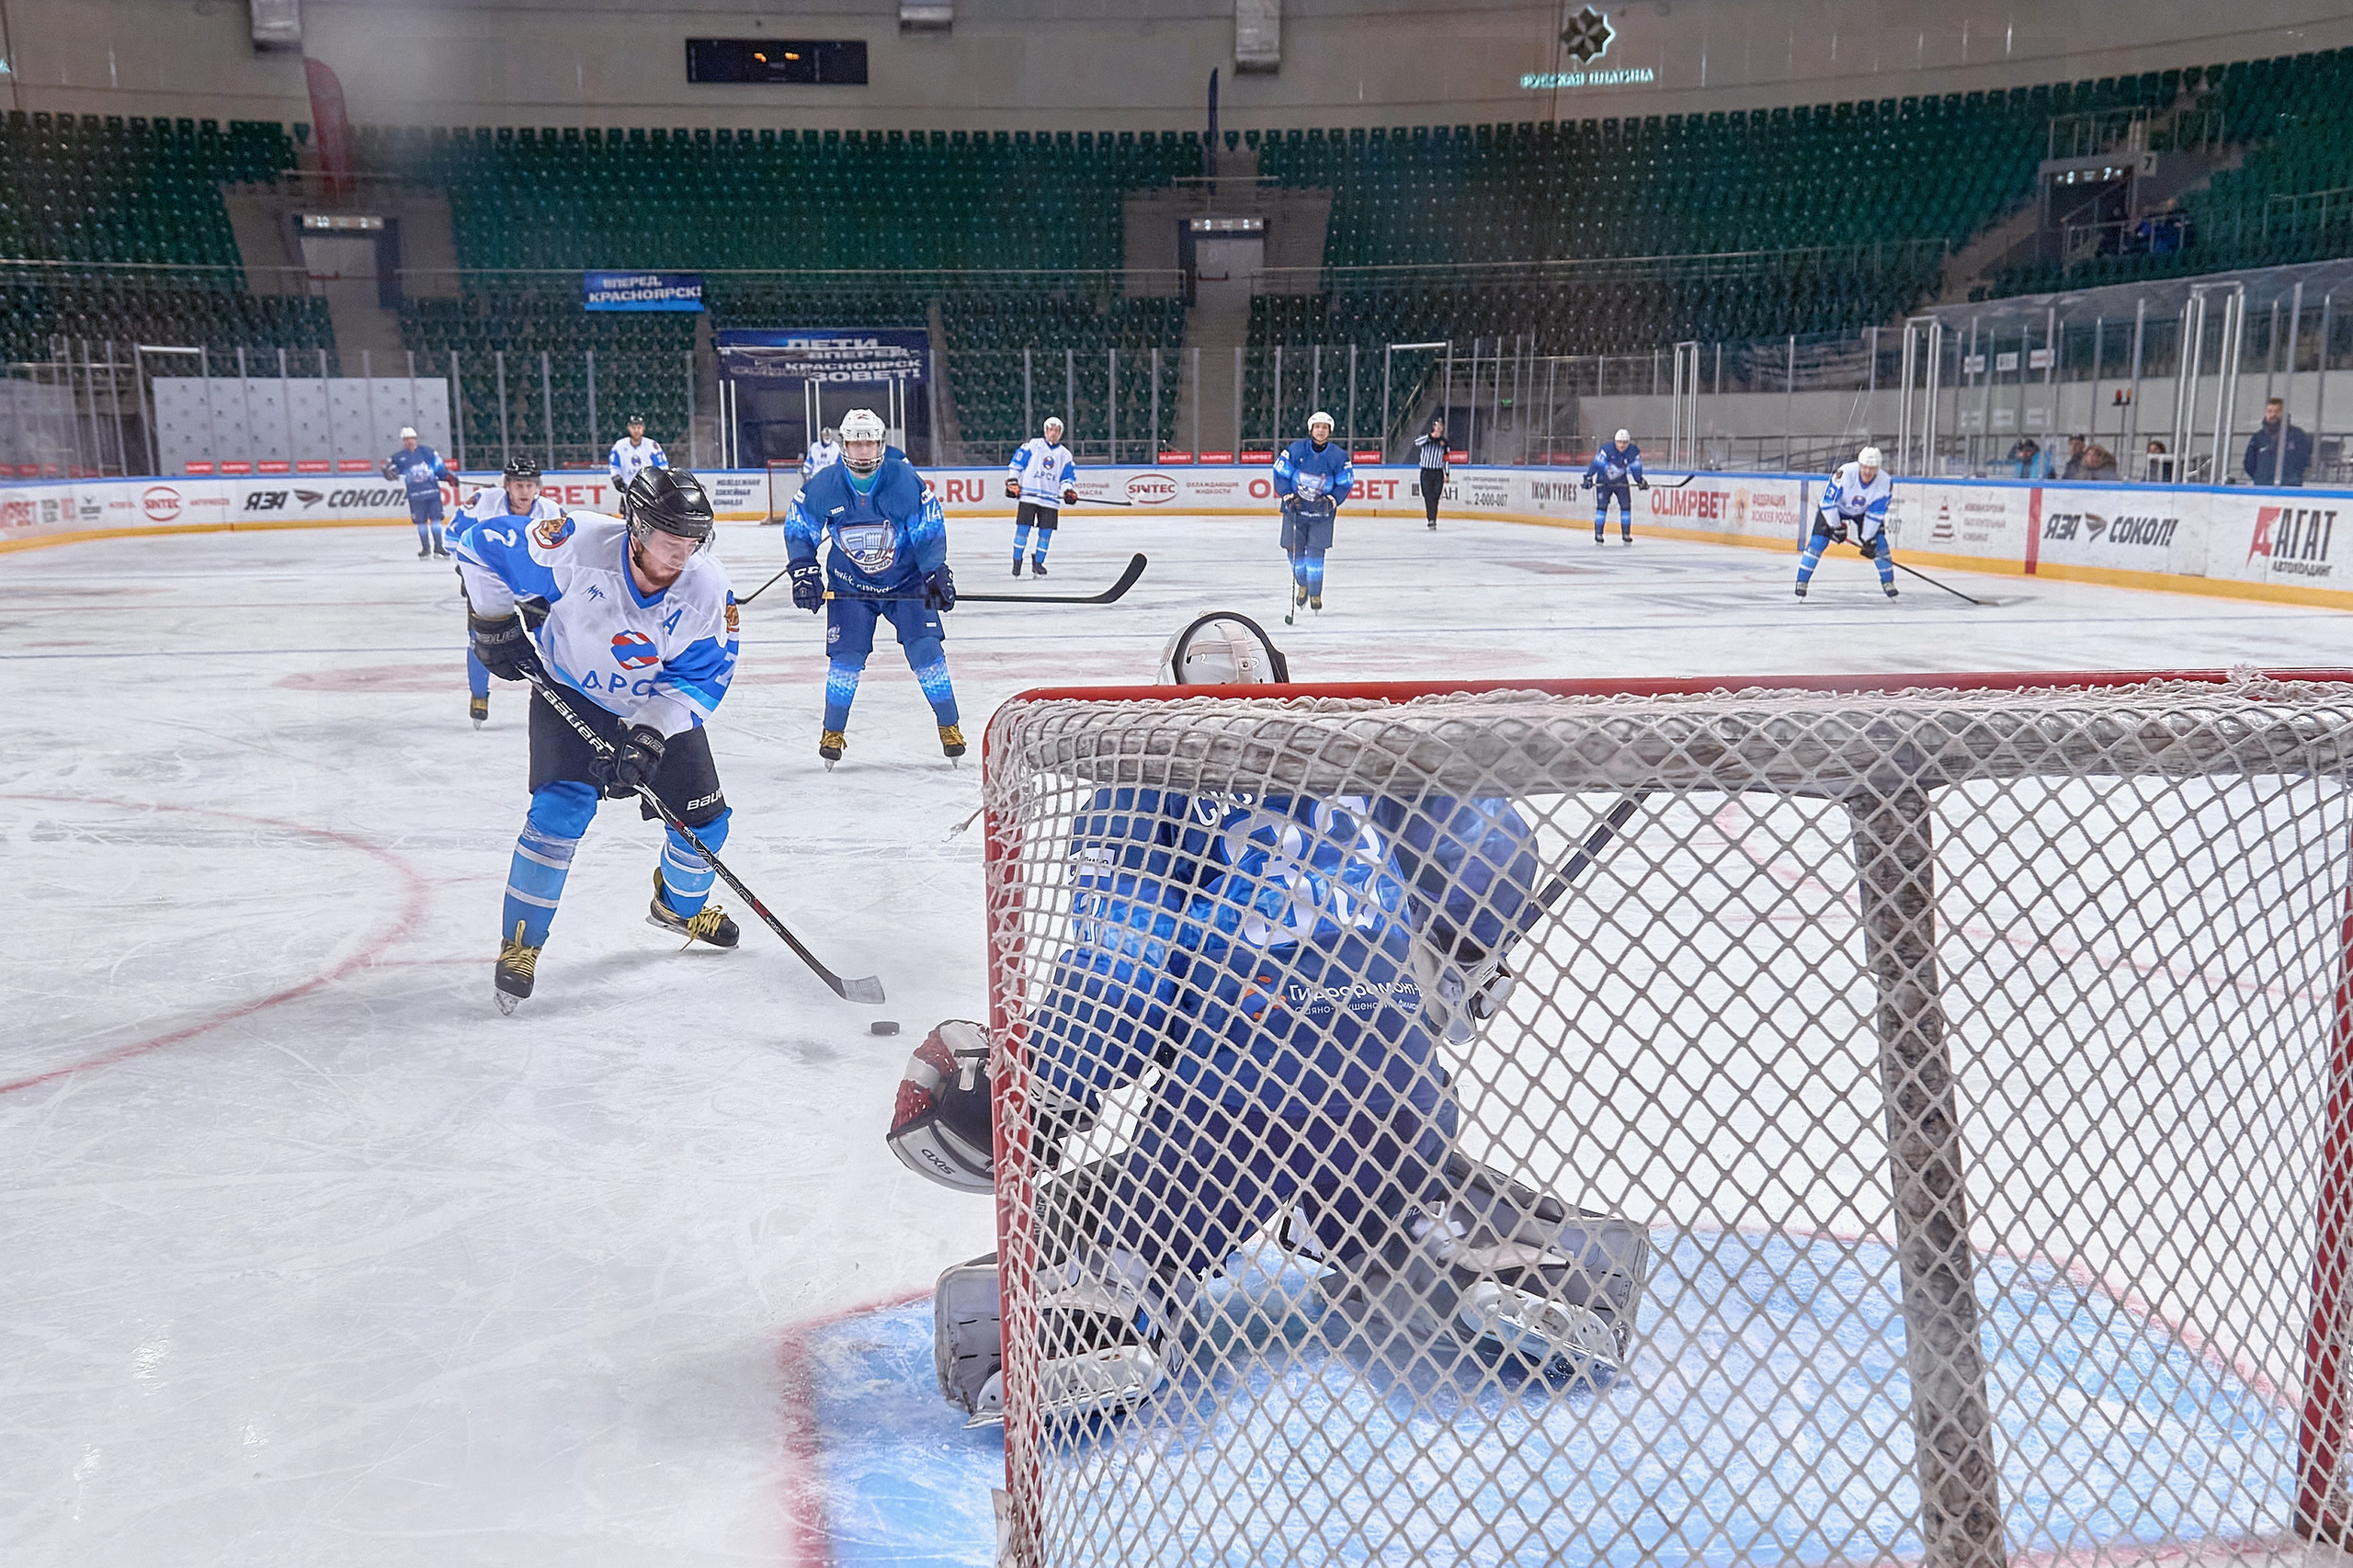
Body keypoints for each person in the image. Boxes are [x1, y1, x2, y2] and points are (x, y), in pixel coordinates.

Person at [886, 614, 1644, 1426]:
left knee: (1156, 1205)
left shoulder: (1146, 776)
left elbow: (1124, 976)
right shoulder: (1360, 745)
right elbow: (1485, 845)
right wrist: (1462, 953)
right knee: (1399, 1187)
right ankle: (1501, 1249)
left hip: (1231, 1109)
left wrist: (1048, 1088)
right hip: (1396, 1093)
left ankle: (1107, 1291)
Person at [450, 468, 743, 1014]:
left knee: (706, 825)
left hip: (653, 707)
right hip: (571, 694)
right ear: (634, 527)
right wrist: (492, 622)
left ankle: (678, 906)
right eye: (667, 540)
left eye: (691, 542)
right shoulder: (575, 545)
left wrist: (650, 734)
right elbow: (478, 545)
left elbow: (705, 677)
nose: (680, 556)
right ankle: (521, 943)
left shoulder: (708, 591)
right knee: (558, 813)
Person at [783, 406, 961, 768]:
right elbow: (801, 524)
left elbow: (928, 529)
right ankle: (833, 732)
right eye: (855, 443)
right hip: (851, 587)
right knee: (845, 662)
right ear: (844, 445)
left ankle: (949, 725)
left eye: (870, 444)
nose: (863, 451)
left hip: (906, 583)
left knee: (927, 654)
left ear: (881, 444)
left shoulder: (904, 479)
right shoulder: (823, 484)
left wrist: (935, 572)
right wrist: (803, 569)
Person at [450, 457, 567, 727]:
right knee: (480, 638)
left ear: (538, 486)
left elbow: (567, 553)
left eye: (529, 485)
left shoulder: (551, 511)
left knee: (554, 636)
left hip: (532, 586)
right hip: (489, 581)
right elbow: (454, 534)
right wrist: (463, 568)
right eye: (518, 485)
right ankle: (479, 695)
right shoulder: (483, 502)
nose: (524, 492)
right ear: (507, 485)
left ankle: (561, 688)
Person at [1273, 411, 1354, 620]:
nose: (1320, 430)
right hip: (1295, 512)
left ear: (1330, 431)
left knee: (1316, 555)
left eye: (1324, 427)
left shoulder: (1338, 456)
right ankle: (1302, 584)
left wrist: (1332, 500)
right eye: (1317, 426)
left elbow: (1345, 483)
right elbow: (1280, 473)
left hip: (1322, 515)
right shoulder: (1295, 450)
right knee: (1293, 552)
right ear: (1311, 429)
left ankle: (1315, 593)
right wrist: (1288, 496)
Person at [1796, 445, 1896, 601]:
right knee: (1818, 542)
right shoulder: (1845, 473)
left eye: (1872, 468)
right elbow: (1828, 503)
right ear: (1859, 464)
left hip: (1863, 512)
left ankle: (1888, 582)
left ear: (1878, 468)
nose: (1868, 472)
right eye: (1864, 467)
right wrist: (1836, 527)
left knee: (1879, 544)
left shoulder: (1885, 482)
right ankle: (1802, 581)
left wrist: (1868, 539)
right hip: (1836, 508)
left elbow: (1875, 514)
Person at [1005, 415, 1080, 577]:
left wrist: (1068, 491)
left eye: (1057, 430)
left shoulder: (1065, 455)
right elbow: (1017, 464)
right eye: (1050, 429)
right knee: (1022, 530)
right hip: (1029, 497)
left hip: (1050, 500)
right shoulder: (1033, 445)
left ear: (1061, 433)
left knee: (1046, 533)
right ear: (1045, 431)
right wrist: (1013, 481)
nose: (1053, 433)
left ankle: (1038, 563)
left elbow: (1067, 478)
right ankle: (1017, 561)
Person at [382, 426, 455, 560]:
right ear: (403, 441)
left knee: (436, 520)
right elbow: (391, 473)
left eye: (411, 438)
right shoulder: (398, 458)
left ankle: (439, 547)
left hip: (432, 492)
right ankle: (426, 548)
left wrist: (448, 476)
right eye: (406, 439)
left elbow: (439, 468)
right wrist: (389, 473)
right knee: (421, 522)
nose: (409, 441)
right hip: (415, 495)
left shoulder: (428, 452)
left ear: (415, 439)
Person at [1581, 428, 1647, 544]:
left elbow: (1636, 468)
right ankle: (1598, 533)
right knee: (1602, 507)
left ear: (1628, 442)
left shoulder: (1633, 451)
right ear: (1615, 442)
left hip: (1621, 482)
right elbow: (1596, 464)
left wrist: (1639, 480)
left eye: (1625, 442)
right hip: (1604, 482)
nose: (1622, 445)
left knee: (1626, 506)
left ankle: (1626, 533)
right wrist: (1588, 477)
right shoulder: (1606, 450)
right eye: (1619, 442)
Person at [2245, 398, 2313, 487]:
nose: (2273, 415)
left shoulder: (2297, 436)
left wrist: (2293, 478)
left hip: (2290, 488)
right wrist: (2261, 478)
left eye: (2277, 411)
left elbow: (2305, 460)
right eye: (2269, 411)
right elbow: (2249, 464)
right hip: (2262, 487)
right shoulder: (2258, 437)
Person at [608, 414, 667, 496]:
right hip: (628, 489)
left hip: (649, 489)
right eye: (633, 428)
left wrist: (658, 482)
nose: (636, 431)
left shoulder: (652, 445)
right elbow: (614, 465)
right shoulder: (619, 446)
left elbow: (662, 465)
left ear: (643, 428)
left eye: (639, 428)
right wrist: (615, 477)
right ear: (629, 428)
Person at [1412, 418, 1449, 530]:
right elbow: (1417, 442)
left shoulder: (1444, 443)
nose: (1439, 428)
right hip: (1426, 472)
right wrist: (1431, 436)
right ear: (1433, 427)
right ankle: (1430, 519)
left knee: (1436, 496)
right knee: (1428, 495)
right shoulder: (1426, 439)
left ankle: (1433, 519)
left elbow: (1446, 459)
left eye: (1440, 427)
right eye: (1437, 426)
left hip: (1438, 472)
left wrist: (1447, 474)